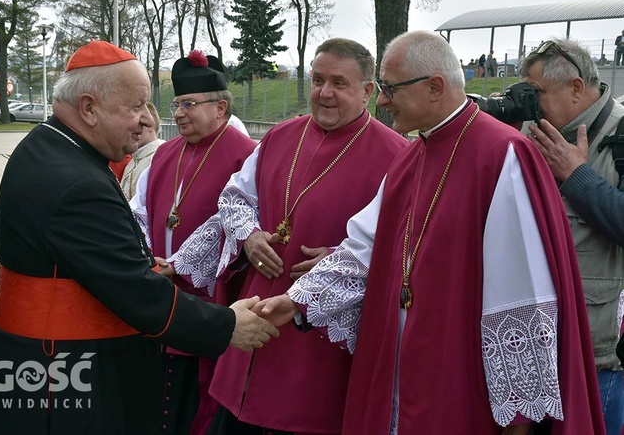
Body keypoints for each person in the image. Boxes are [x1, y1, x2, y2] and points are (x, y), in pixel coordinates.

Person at [257, 30, 605, 434]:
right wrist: (297, 301)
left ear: (435, 87)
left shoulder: (500, 154)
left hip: (462, 378)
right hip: (403, 368)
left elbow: (521, 299)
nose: (382, 101)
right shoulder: (411, 158)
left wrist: (518, 425)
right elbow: (363, 248)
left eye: (389, 89)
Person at [0, 40, 279, 434]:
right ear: (88, 108)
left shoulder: (49, 147)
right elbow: (136, 292)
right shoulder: (77, 183)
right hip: (63, 372)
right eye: (134, 106)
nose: (145, 119)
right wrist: (226, 325)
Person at [173, 37, 407, 434]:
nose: (324, 93)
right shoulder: (281, 136)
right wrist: (247, 234)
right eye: (317, 80)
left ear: (368, 91)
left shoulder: (397, 156)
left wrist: (340, 257)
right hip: (256, 312)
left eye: (339, 83)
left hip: (318, 337)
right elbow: (234, 196)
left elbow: (401, 240)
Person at [130, 49, 258, 434]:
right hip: (158, 285)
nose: (178, 113)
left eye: (189, 104)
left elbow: (235, 217)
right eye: (176, 104)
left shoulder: (248, 154)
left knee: (196, 398)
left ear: (220, 108)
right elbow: (138, 209)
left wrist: (182, 264)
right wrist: (145, 257)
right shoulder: (165, 152)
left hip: (210, 293)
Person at [519, 37, 624, 435]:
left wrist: (576, 175)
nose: (529, 105)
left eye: (537, 93)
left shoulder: (622, 135)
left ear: (577, 88)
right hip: (537, 347)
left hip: (599, 360)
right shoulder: (544, 134)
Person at [120, 101, 164, 200]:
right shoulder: (133, 160)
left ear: (151, 125)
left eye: (140, 123)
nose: (134, 129)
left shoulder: (160, 158)